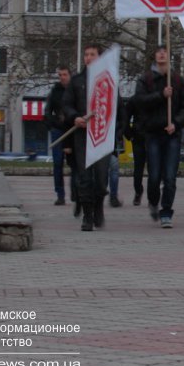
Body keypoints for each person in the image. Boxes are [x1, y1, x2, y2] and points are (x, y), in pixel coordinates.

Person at [131, 44, 184, 228]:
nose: (161, 54)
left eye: (165, 52)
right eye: (158, 51)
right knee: (154, 175)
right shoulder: (146, 79)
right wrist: (161, 95)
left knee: (169, 176)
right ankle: (153, 201)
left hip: (172, 134)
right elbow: (140, 101)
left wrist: (177, 122)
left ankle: (166, 211)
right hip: (152, 133)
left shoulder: (178, 80)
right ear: (154, 55)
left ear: (169, 56)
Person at [62, 44, 111, 232]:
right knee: (84, 177)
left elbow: (117, 108)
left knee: (100, 178)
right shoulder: (76, 81)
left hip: (102, 136)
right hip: (83, 135)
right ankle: (87, 215)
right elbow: (66, 105)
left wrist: (119, 131)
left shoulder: (108, 80)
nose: (88, 57)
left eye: (92, 54)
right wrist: (75, 116)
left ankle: (98, 206)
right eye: (86, 54)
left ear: (100, 57)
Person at [45, 65, 72, 205]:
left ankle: (76, 191)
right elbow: (48, 110)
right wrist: (52, 124)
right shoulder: (55, 91)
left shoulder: (75, 90)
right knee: (57, 162)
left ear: (69, 75)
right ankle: (60, 193)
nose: (62, 77)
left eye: (65, 74)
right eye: (60, 75)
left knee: (75, 163)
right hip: (58, 130)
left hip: (72, 129)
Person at [124, 97, 146, 206]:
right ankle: (138, 191)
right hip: (138, 138)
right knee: (138, 168)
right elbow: (125, 117)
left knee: (155, 168)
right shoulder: (134, 100)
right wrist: (130, 135)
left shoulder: (156, 97)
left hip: (153, 137)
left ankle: (153, 194)